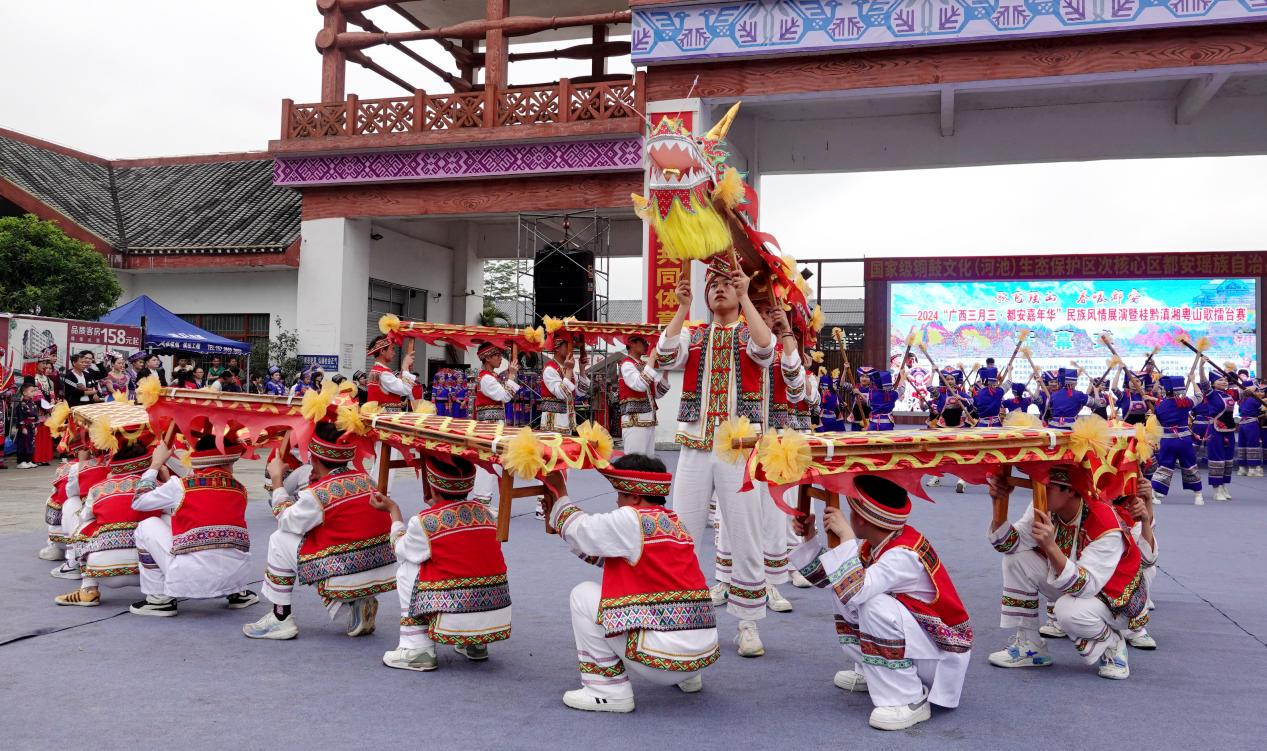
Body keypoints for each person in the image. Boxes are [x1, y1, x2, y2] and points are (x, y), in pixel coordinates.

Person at [654, 254, 781, 657]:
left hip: (738, 448)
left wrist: (746, 299)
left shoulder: (748, 333)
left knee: (745, 532)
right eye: (713, 285)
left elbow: (766, 348)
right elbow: (665, 353)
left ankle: (748, 623)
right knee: (683, 529)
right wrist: (680, 307)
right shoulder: (694, 334)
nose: (720, 289)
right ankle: (682, 613)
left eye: (727, 283)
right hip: (694, 445)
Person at [790, 474, 972, 731]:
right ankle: (873, 669)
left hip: (941, 656)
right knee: (846, 589)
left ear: (861, 518)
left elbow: (855, 590)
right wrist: (810, 538)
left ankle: (909, 697)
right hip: (922, 644)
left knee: (871, 603)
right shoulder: (879, 543)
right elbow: (834, 582)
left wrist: (846, 540)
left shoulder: (903, 555)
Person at [544, 454, 719, 712]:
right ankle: (689, 678)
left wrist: (559, 495)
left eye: (620, 494)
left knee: (582, 595)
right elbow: (617, 557)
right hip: (701, 656)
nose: (616, 501)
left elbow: (584, 531)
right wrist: (560, 518)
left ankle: (608, 690)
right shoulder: (674, 522)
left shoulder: (631, 519)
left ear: (635, 497)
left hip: (663, 660)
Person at [987, 465, 1150, 679]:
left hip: (1117, 601)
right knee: (1015, 560)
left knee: (1067, 611)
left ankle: (1112, 644)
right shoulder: (1044, 505)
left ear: (1071, 490)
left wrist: (1050, 547)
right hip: (1075, 584)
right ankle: (1030, 645)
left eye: (1047, 486)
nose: (1039, 492)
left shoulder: (1104, 521)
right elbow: (1008, 545)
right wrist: (998, 503)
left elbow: (1086, 586)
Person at [243, 421, 396, 640]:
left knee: (280, 538)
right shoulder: (366, 479)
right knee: (321, 538)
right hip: (381, 571)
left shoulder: (319, 493)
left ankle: (280, 617)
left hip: (346, 572)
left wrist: (277, 481)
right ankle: (353, 604)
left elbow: (285, 519)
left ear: (313, 458)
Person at [376, 452, 512, 672]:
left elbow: (400, 549)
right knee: (474, 561)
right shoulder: (487, 513)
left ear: (431, 484)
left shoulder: (425, 521)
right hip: (496, 615)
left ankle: (417, 649)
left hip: (456, 612)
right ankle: (475, 643)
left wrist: (394, 512)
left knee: (408, 568)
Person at [128, 431, 258, 616]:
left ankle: (159, 600)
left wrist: (155, 464)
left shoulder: (180, 485)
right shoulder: (240, 489)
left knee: (147, 525)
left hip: (192, 580)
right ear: (228, 461)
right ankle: (239, 594)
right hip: (235, 579)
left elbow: (139, 502)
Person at [55, 429, 163, 606]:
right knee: (166, 520)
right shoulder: (159, 487)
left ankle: (88, 589)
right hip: (149, 573)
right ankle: (161, 595)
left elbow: (75, 506)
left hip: (103, 571)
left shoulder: (98, 489)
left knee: (84, 522)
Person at [41, 424, 111, 574]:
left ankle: (71, 561)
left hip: (87, 538)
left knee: (69, 502)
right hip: (129, 547)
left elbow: (67, 493)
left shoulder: (67, 468)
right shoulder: (112, 466)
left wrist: (81, 466)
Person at [470, 342, 521, 506]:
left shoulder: (490, 377)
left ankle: (484, 501)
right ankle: (481, 501)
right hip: (489, 427)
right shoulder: (486, 378)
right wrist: (512, 376)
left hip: (493, 425)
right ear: (487, 358)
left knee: (494, 464)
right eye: (497, 355)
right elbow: (505, 396)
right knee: (488, 463)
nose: (500, 358)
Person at [1150, 375, 1204, 505]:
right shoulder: (1185, 403)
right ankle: (1198, 495)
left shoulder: (1160, 407)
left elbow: (1158, 422)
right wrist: (1192, 380)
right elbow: (1199, 396)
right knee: (1190, 465)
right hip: (1184, 440)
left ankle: (1153, 493)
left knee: (1164, 466)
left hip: (1167, 441)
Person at [617, 335, 669, 457]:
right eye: (643, 342)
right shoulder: (627, 364)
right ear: (631, 343)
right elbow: (639, 384)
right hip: (634, 421)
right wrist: (652, 358)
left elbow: (657, 393)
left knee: (648, 462)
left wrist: (666, 372)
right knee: (635, 462)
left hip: (649, 419)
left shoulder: (643, 365)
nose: (647, 345)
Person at [540, 333, 590, 434]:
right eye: (567, 345)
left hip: (567, 422)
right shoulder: (550, 369)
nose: (570, 349)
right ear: (557, 348)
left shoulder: (568, 369)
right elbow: (561, 393)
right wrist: (570, 370)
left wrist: (582, 370)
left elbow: (582, 392)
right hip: (553, 422)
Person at [1200, 365, 1237, 501]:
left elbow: (1249, 389)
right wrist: (1201, 365)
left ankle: (1224, 486)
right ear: (1213, 383)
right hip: (1215, 430)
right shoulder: (1211, 394)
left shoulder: (1229, 394)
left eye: (1225, 380)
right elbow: (1203, 380)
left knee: (1228, 459)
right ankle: (1216, 489)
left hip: (1230, 430)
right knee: (1217, 459)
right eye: (1220, 380)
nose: (1224, 382)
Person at [366, 335, 418, 412]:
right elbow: (406, 390)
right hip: (386, 419)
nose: (394, 353)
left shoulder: (376, 371)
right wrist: (405, 366)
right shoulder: (383, 374)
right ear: (382, 351)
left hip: (380, 417)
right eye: (392, 349)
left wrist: (404, 369)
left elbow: (397, 387)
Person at [13, 384, 49, 468]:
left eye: (34, 391)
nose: (33, 393)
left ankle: (29, 460)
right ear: (24, 392)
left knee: (30, 444)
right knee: (23, 443)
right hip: (25, 426)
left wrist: (36, 426)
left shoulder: (33, 404)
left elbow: (36, 416)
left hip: (31, 426)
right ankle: (21, 461)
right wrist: (23, 427)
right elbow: (20, 417)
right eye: (31, 391)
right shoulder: (21, 405)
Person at [1237, 376, 1264, 476]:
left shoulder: (1241, 401)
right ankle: (1253, 469)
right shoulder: (1255, 400)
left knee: (1242, 445)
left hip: (1242, 424)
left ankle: (1242, 468)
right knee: (1253, 445)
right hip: (1251, 424)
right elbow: (1262, 409)